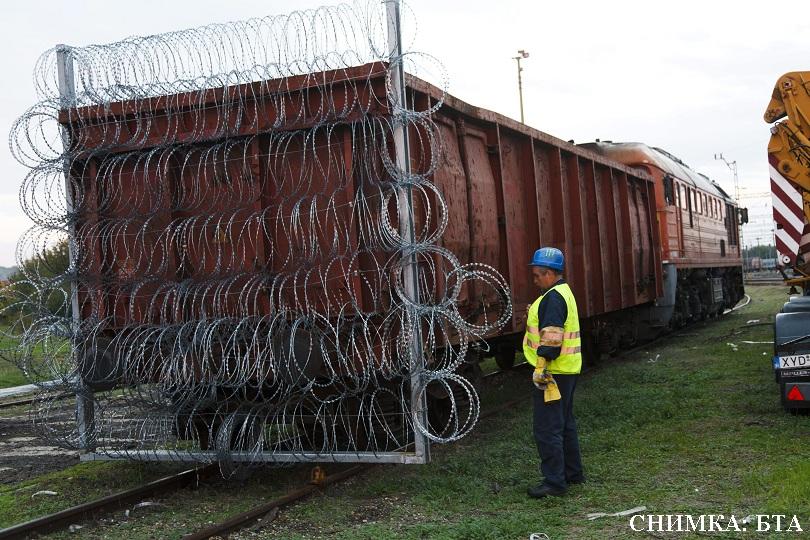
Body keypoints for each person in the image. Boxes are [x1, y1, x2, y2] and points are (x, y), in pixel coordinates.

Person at [524, 247, 584, 498]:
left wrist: (541, 367)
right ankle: (573, 474)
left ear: (549, 273)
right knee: (565, 424)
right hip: (567, 370)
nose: (534, 279)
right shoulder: (562, 292)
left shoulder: (553, 297)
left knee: (547, 428)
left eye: (537, 275)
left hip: (554, 373)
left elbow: (552, 337)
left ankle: (554, 483)